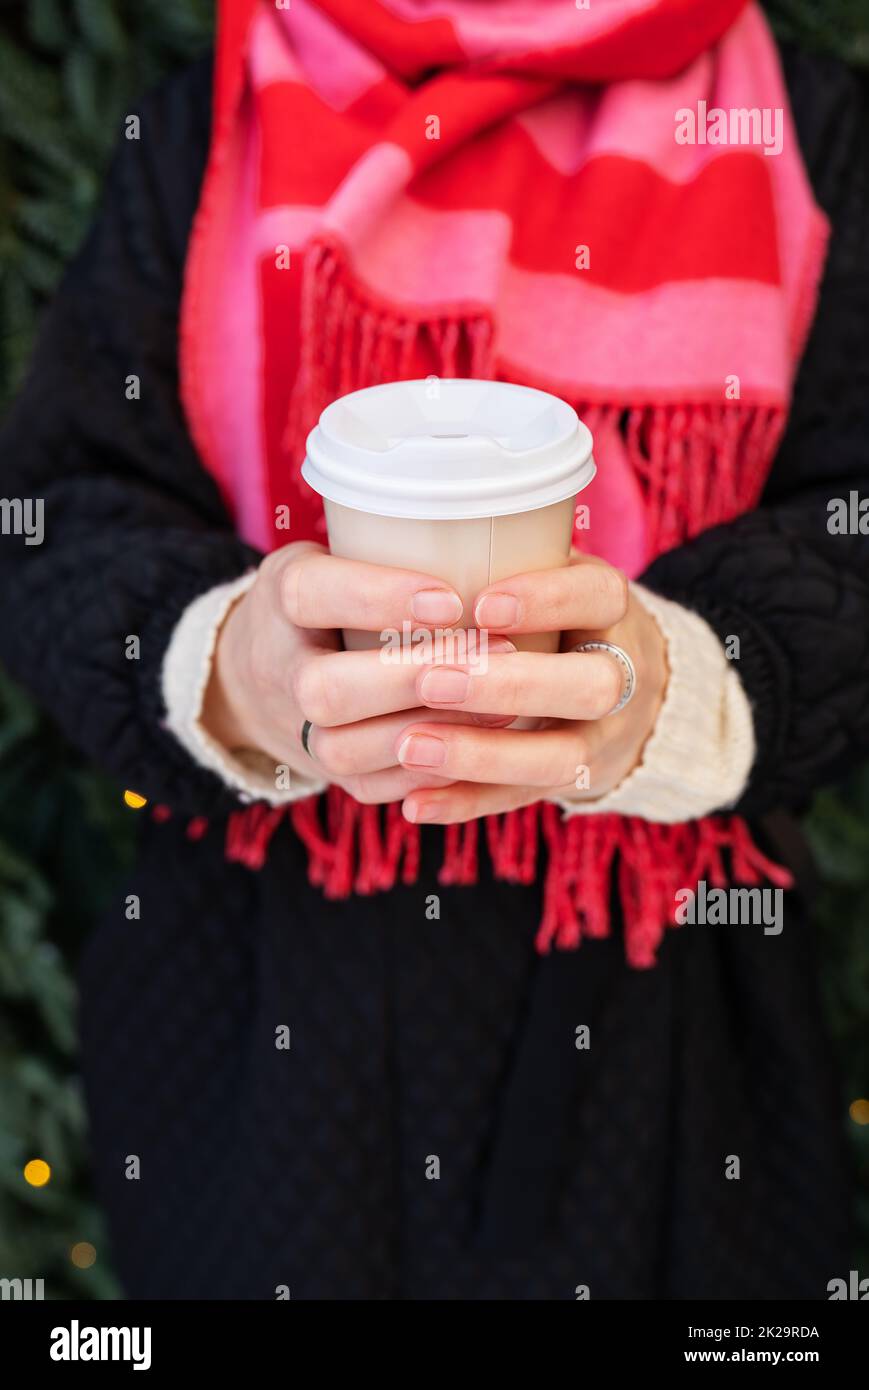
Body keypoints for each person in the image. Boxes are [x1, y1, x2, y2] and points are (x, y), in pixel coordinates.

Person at [1, 0, 867, 1300]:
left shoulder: (806, 130)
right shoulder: (210, 123)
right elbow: (53, 516)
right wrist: (234, 662)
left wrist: (677, 681)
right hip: (261, 1046)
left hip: (676, 1039)